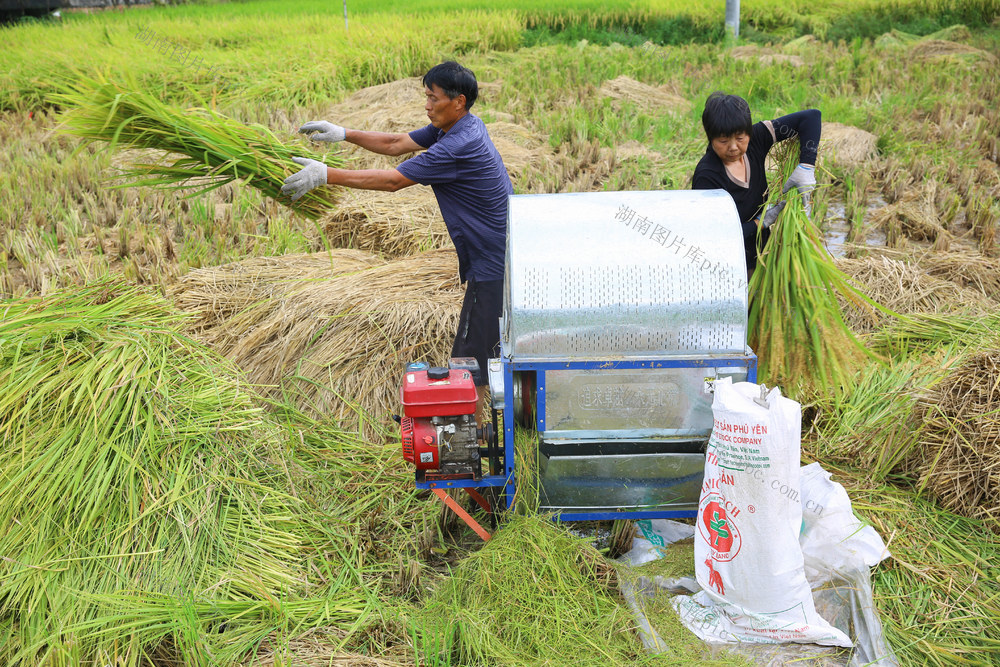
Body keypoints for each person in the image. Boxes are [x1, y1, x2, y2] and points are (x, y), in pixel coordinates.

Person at [281, 61, 512, 424]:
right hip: (496, 255)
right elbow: (396, 144)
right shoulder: (458, 126)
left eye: (432, 98)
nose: (426, 105)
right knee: (477, 354)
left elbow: (393, 181)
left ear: (458, 101)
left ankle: (467, 438)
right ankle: (470, 430)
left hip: (494, 265)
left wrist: (325, 174)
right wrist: (343, 133)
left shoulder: (458, 144)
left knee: (470, 360)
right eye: (426, 97)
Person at [691, 91, 821, 279]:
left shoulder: (756, 140)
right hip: (730, 265)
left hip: (764, 252)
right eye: (723, 141)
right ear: (710, 138)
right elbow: (713, 236)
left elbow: (811, 117)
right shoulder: (708, 176)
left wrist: (806, 166)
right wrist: (760, 223)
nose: (734, 147)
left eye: (740, 138)